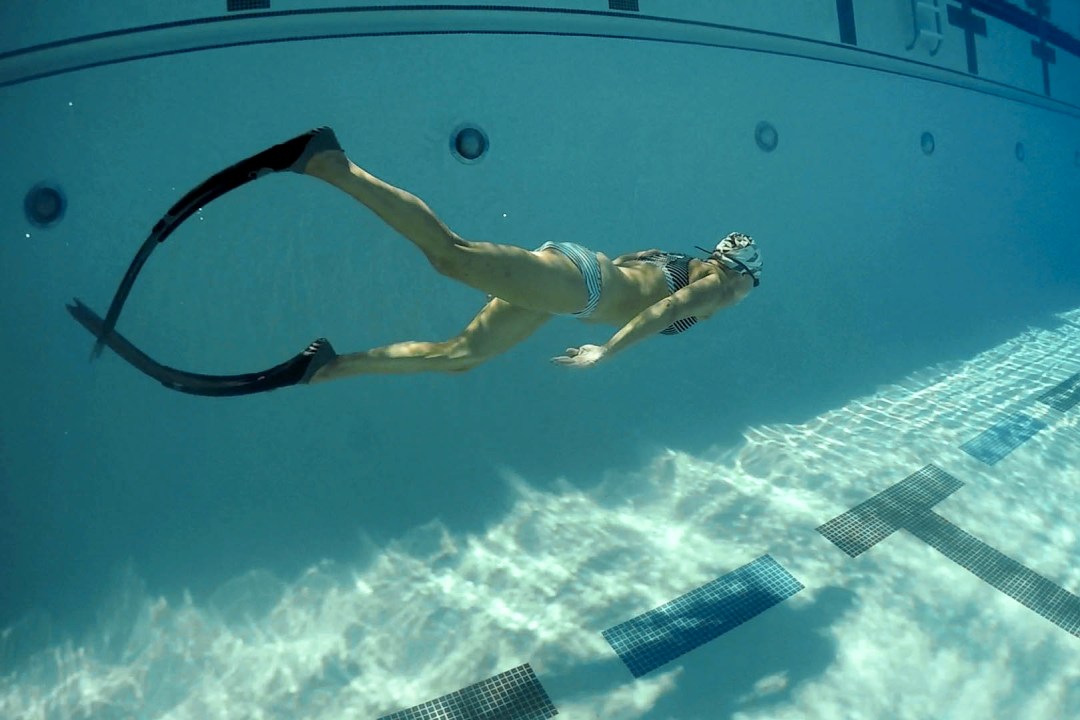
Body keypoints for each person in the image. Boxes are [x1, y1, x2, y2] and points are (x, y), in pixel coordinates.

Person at [69, 127, 762, 396]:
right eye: (741, 273)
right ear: (740, 273)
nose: (735, 280)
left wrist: (567, 297)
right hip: (577, 285)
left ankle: (325, 366)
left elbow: (640, 275)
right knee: (451, 258)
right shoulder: (718, 292)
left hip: (568, 288)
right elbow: (665, 311)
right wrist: (605, 354)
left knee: (461, 357)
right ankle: (329, 163)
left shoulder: (687, 262)